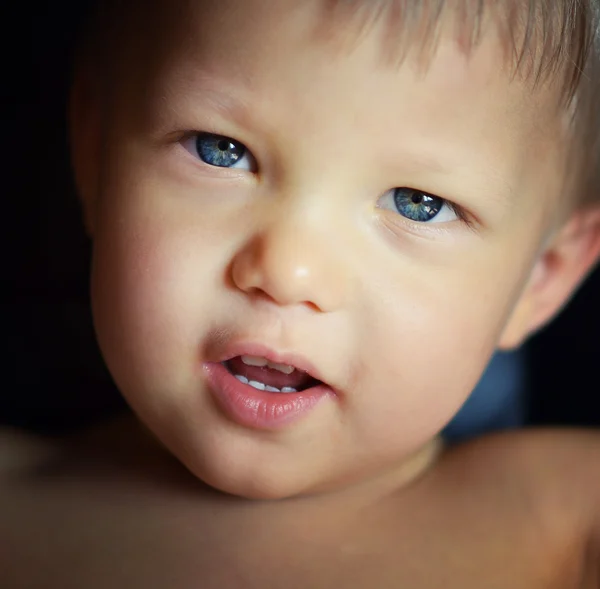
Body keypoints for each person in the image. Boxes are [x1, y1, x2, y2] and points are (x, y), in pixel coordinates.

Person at [2, 0, 600, 586]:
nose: (289, 273)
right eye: (222, 150)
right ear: (93, 152)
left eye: (420, 204)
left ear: (541, 275)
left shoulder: (565, 517)